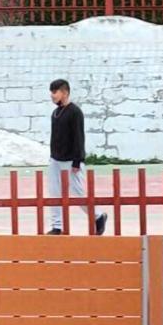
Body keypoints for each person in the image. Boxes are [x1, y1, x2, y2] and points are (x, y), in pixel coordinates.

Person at [47, 79, 107, 236]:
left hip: (71, 160)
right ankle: (57, 226)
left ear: (65, 92)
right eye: (51, 92)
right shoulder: (55, 113)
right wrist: (52, 156)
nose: (52, 95)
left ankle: (98, 216)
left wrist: (77, 160)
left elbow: (79, 137)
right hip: (55, 159)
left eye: (55, 92)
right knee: (54, 192)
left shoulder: (75, 112)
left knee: (78, 192)